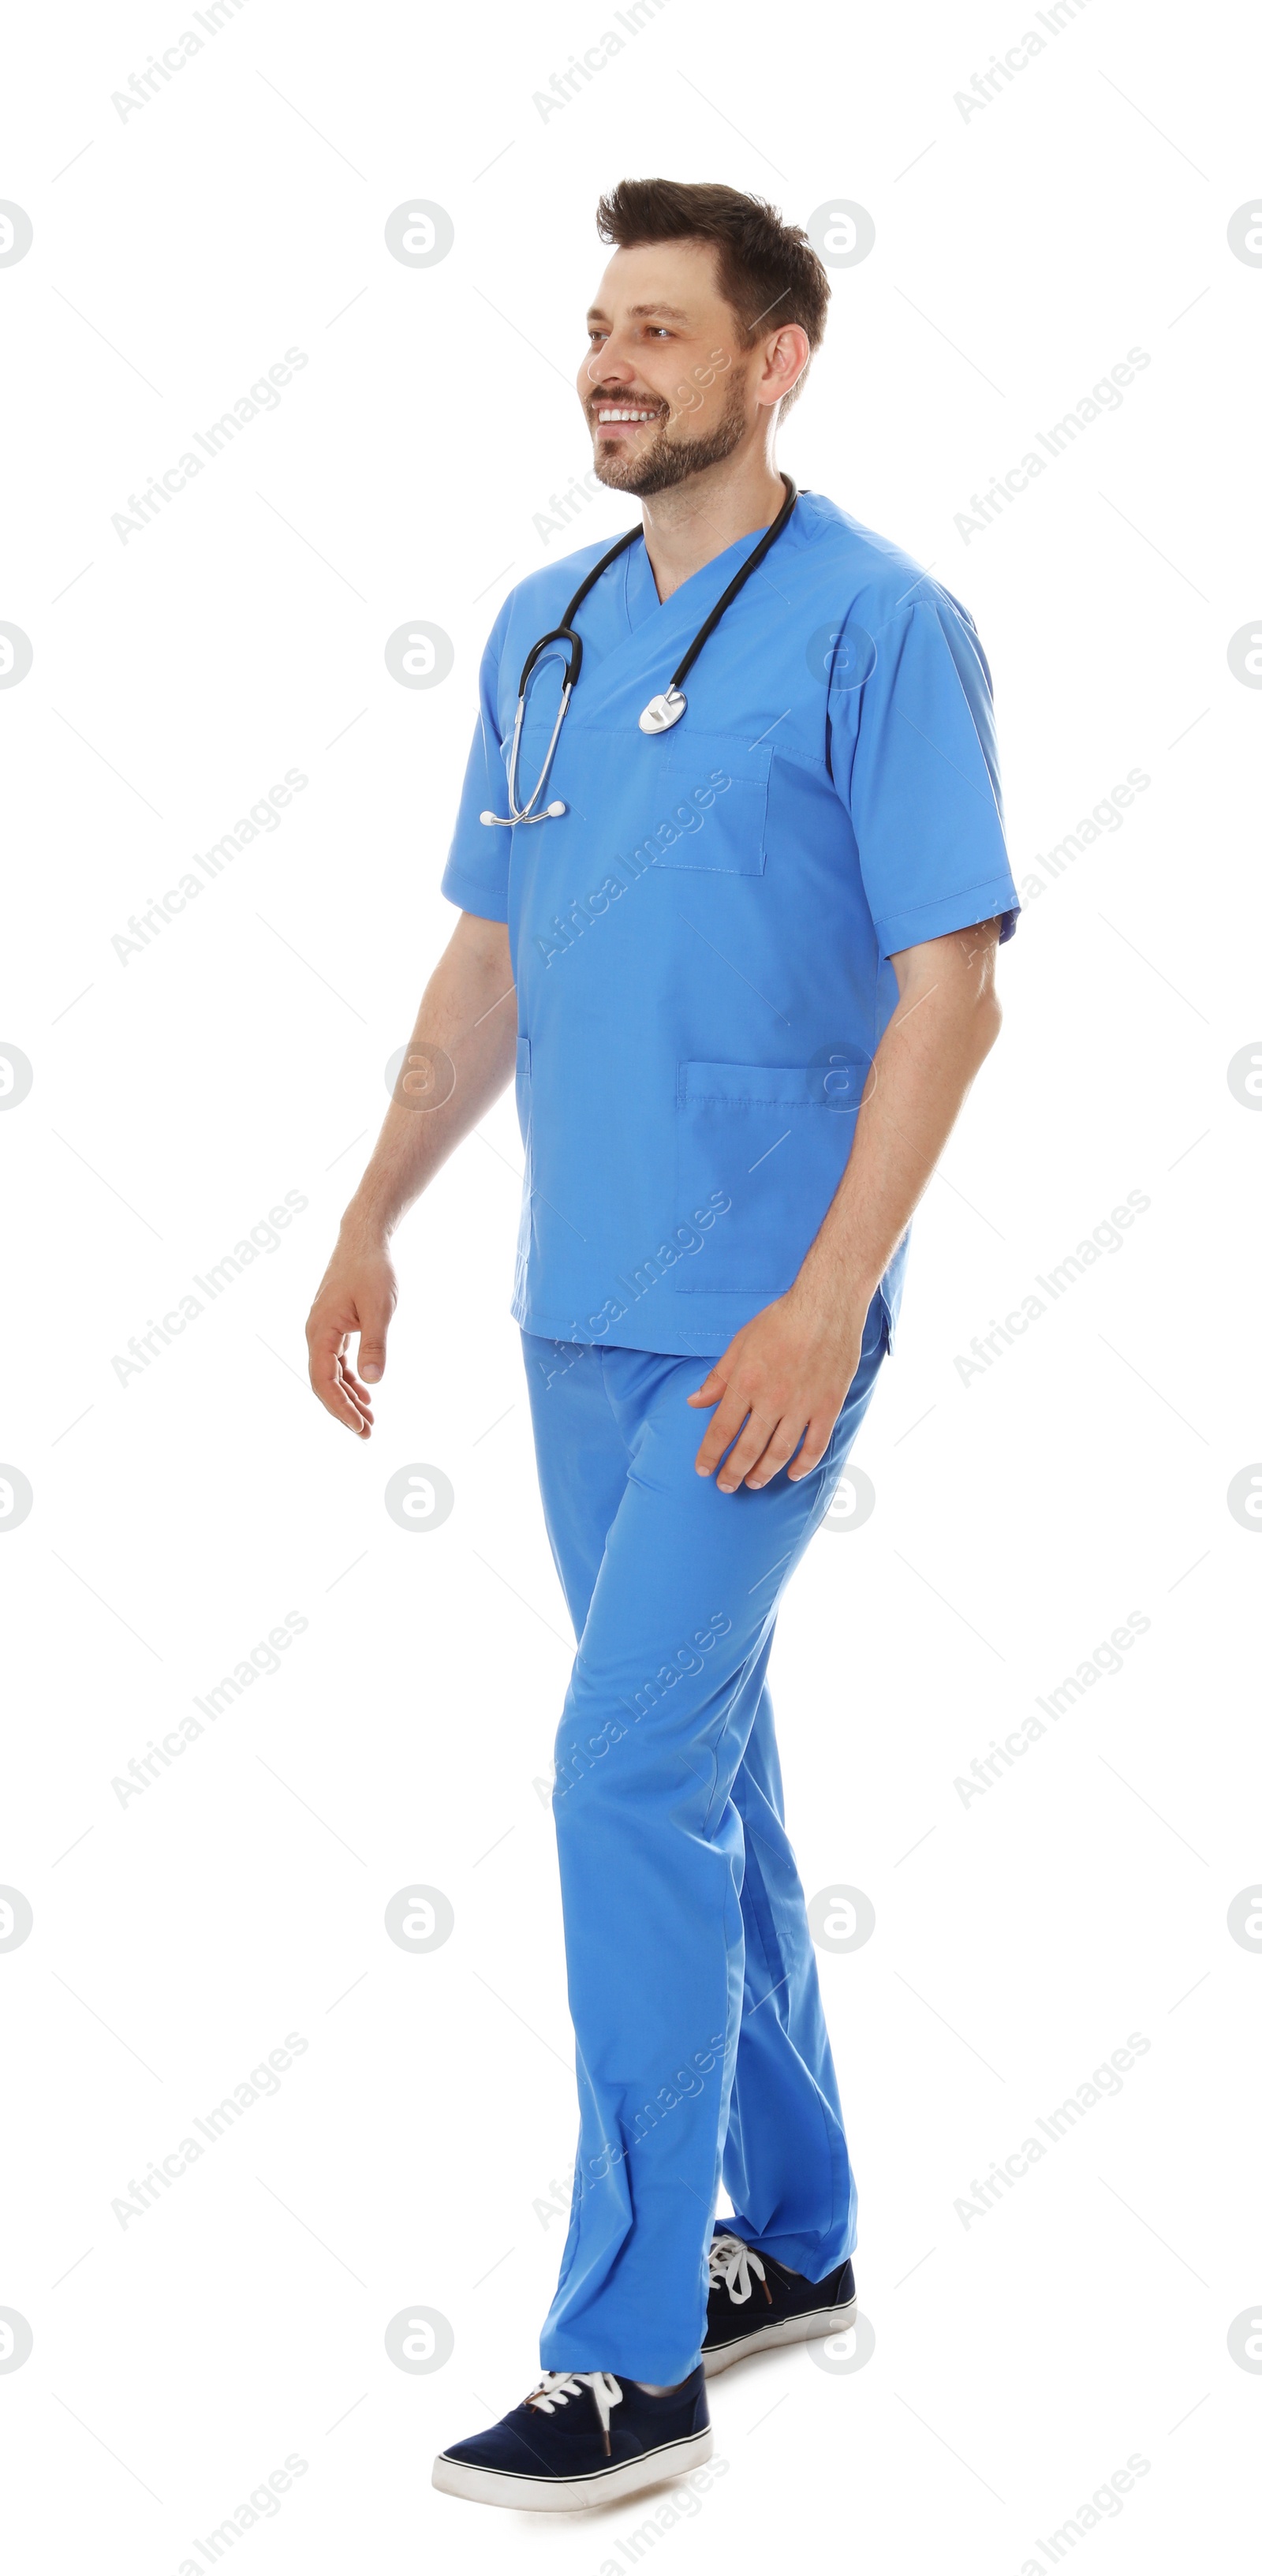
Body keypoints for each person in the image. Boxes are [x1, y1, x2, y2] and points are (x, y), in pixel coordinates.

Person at [305, 177, 1020, 2513]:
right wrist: (369, 1218)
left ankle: (631, 2355)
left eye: (664, 330)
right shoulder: (544, 629)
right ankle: (791, 2238)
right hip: (568, 1312)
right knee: (704, 1759)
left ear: (777, 358)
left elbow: (953, 985)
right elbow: (486, 966)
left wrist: (826, 1296)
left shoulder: (884, 630)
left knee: (619, 1773)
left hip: (757, 1331)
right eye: (597, 327)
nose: (613, 362)